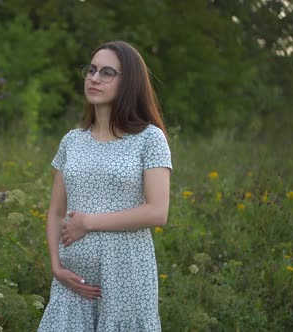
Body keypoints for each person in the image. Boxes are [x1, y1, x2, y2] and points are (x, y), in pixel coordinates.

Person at [37, 41, 172, 331]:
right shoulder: (71, 141)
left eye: (107, 72)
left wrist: (89, 222)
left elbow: (158, 212)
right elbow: (56, 211)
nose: (95, 78)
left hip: (126, 280)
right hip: (72, 285)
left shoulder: (149, 139)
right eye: (92, 70)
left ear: (129, 83)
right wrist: (56, 267)